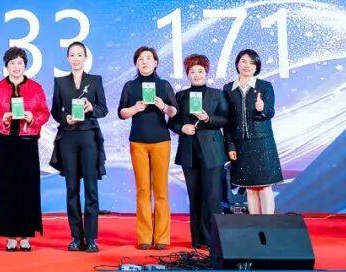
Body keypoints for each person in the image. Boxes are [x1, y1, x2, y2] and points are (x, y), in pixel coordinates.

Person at [0, 46, 50, 252]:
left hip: (27, 142)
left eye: (20, 63)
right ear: (6, 66)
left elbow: (45, 112)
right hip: (4, 143)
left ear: (25, 65)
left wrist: (33, 117)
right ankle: (10, 236)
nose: (16, 67)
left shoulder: (36, 88)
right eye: (12, 63)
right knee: (6, 189)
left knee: (27, 188)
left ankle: (26, 235)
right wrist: (1, 119)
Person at [118, 46, 177, 250]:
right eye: (141, 59)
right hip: (138, 142)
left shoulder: (163, 85)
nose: (144, 62)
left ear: (155, 63)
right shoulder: (130, 86)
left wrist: (163, 106)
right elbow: (121, 113)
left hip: (161, 141)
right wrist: (135, 108)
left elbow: (174, 111)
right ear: (136, 63)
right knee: (143, 190)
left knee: (161, 190)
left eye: (148, 58)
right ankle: (144, 236)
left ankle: (162, 237)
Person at [50, 41, 107, 252]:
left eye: (79, 54)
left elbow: (104, 109)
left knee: (91, 188)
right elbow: (55, 110)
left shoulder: (95, 80)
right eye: (72, 55)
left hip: (89, 136)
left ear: (85, 57)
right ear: (67, 58)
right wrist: (65, 118)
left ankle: (91, 238)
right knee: (71, 188)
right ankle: (76, 237)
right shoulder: (60, 82)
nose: (75, 58)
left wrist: (91, 108)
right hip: (68, 138)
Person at [168, 54, 229, 249]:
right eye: (192, 71)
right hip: (189, 151)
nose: (196, 74)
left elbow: (225, 119)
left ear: (206, 72)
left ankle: (213, 240)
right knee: (195, 196)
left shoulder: (217, 94)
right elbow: (172, 122)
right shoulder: (181, 96)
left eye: (200, 71)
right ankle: (197, 239)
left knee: (212, 196)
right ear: (187, 74)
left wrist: (207, 118)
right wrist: (182, 128)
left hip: (212, 151)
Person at [224, 49, 283, 214]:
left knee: (265, 186)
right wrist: (230, 145)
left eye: (252, 63)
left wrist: (262, 108)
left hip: (262, 141)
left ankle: (268, 223)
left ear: (257, 66)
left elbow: (270, 112)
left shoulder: (265, 86)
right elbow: (227, 121)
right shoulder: (228, 89)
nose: (247, 66)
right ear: (237, 64)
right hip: (240, 144)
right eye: (243, 61)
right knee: (249, 188)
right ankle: (255, 223)